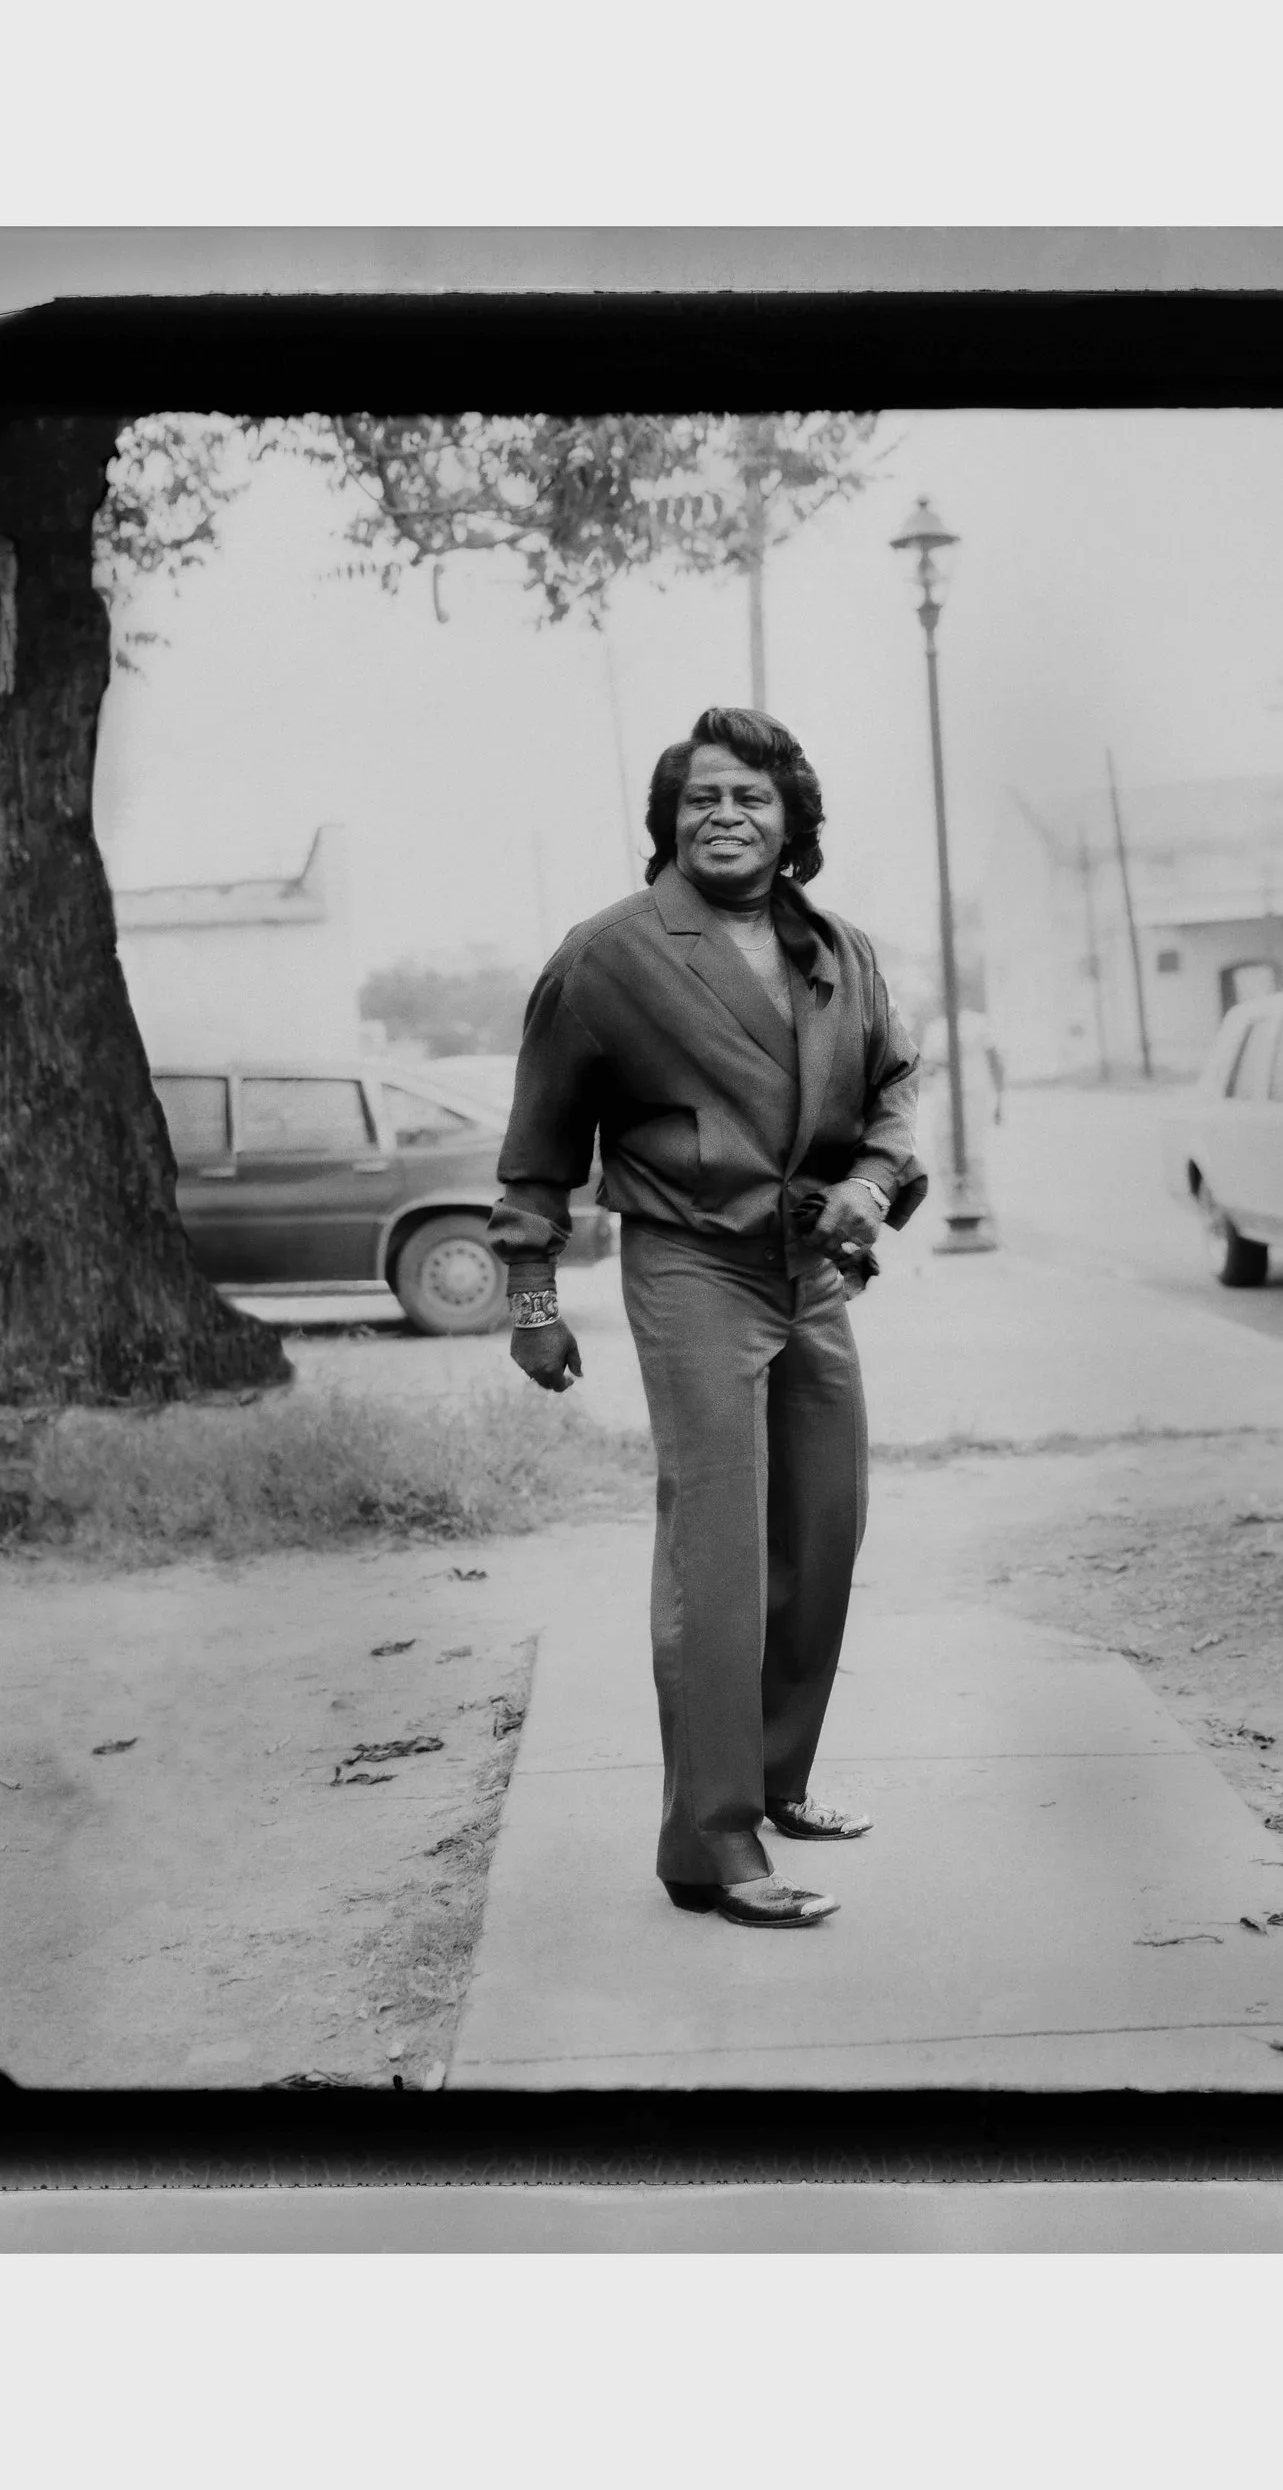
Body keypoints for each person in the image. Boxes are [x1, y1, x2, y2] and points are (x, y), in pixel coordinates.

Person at [489, 708, 926, 1929]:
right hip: (691, 1266)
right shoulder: (607, 957)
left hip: (813, 1269)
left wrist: (871, 1180)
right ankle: (709, 1841)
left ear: (792, 824)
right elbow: (536, 1152)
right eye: (701, 798)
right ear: (669, 822)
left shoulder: (839, 949)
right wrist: (533, 1303)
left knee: (823, 1528)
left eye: (751, 797)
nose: (725, 815)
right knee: (717, 1556)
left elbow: (894, 1084)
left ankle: (775, 1777)